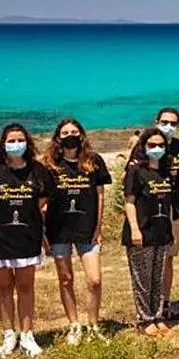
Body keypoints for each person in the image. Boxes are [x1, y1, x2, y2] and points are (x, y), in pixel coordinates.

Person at [0, 123, 52, 358]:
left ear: (28, 143)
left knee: (26, 286)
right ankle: (8, 334)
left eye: (20, 140)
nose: (16, 144)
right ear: (3, 144)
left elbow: (41, 203)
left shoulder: (38, 170)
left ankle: (27, 335)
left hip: (26, 238)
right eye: (11, 141)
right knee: (3, 288)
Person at [42, 118, 112, 344]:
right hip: (58, 230)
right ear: (58, 138)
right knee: (66, 279)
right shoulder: (49, 164)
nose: (69, 136)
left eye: (74, 132)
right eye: (65, 133)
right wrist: (43, 233)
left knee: (95, 280)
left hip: (87, 229)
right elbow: (41, 201)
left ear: (81, 135)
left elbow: (100, 196)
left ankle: (93, 325)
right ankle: (74, 324)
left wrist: (98, 228)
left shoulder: (93, 161)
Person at [122, 128, 178, 337]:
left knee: (158, 277)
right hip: (141, 231)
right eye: (152, 145)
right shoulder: (136, 171)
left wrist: (170, 229)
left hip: (161, 231)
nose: (157, 149)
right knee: (142, 278)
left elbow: (168, 203)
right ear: (144, 147)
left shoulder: (166, 172)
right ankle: (145, 319)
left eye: (161, 145)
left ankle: (158, 316)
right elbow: (130, 202)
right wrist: (135, 229)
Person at [153, 108, 179, 320]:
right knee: (151, 259)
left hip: (174, 210)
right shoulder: (145, 144)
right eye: (165, 122)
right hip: (151, 212)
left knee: (168, 258)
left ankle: (165, 304)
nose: (169, 126)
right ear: (156, 121)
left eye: (173, 123)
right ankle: (150, 306)